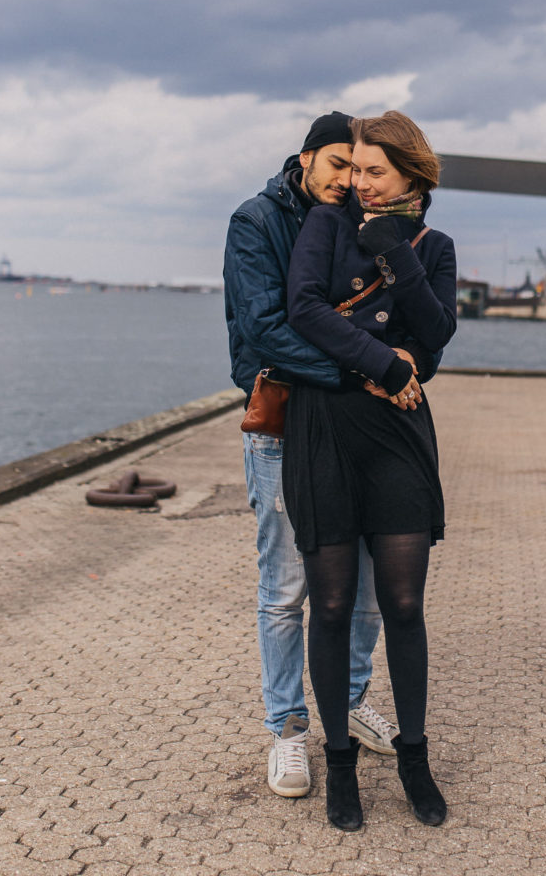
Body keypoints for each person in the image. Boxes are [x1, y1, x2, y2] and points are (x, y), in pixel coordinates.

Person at [282, 110, 457, 831]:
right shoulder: (325, 224)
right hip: (325, 429)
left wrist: (393, 250)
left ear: (410, 175)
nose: (359, 182)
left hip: (397, 439)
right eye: (354, 168)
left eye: (374, 171)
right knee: (329, 606)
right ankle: (339, 764)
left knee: (404, 605)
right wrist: (385, 362)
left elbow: (436, 333)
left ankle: (414, 758)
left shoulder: (433, 245)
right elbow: (303, 308)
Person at [223, 112, 402, 800]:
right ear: (304, 159)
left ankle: (347, 700)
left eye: (357, 167)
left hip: (353, 425)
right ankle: (288, 727)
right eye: (337, 163)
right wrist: (360, 370)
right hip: (285, 425)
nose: (348, 178)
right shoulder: (257, 221)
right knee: (286, 587)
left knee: (365, 586)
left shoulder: (361, 218)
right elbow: (264, 328)